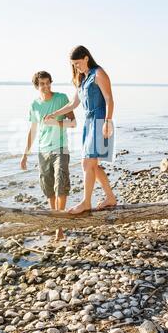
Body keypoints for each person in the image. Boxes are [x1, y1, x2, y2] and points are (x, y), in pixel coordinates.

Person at [44, 45, 117, 215]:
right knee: (93, 166)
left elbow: (109, 100)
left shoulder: (98, 73)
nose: (76, 67)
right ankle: (111, 197)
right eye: (73, 65)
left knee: (87, 164)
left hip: (99, 121)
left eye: (77, 63)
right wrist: (54, 113)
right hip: (88, 124)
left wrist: (107, 122)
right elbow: (73, 104)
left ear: (86, 58)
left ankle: (86, 202)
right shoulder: (83, 78)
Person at [20, 71, 76, 238]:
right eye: (41, 84)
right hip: (43, 151)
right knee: (49, 188)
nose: (45, 86)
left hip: (60, 148)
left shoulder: (62, 99)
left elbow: (73, 123)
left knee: (61, 184)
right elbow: (33, 130)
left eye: (47, 83)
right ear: (36, 86)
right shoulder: (34, 105)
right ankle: (54, 222)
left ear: (51, 82)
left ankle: (60, 226)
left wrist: (55, 122)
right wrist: (25, 155)